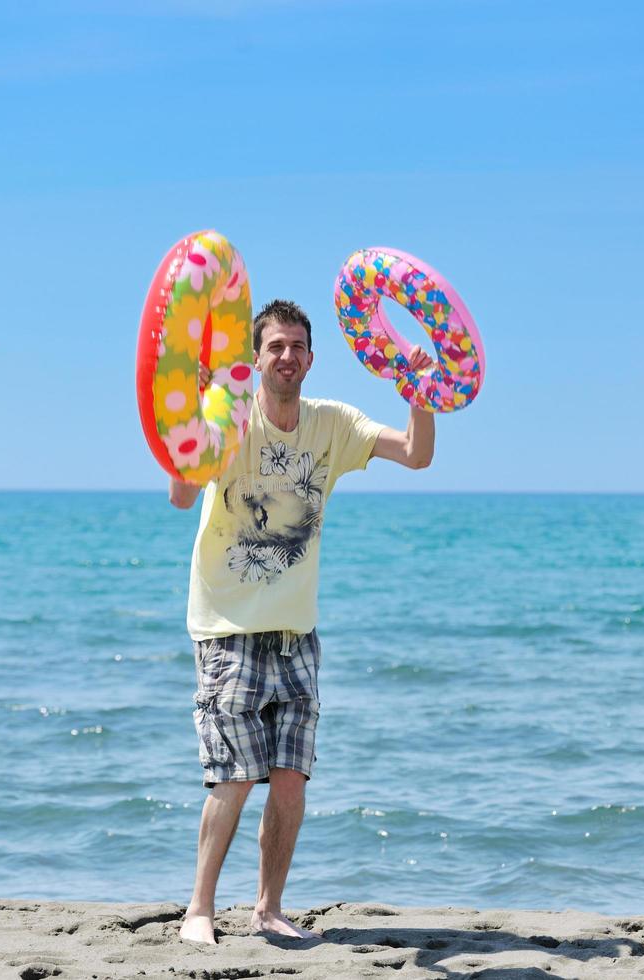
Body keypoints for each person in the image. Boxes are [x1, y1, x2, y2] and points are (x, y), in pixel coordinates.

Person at [169, 298, 435, 945]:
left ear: (311, 359)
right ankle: (199, 911)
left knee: (289, 781)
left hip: (297, 634)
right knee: (233, 777)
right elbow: (180, 495)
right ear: (256, 359)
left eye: (297, 347)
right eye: (275, 347)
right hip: (227, 626)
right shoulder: (227, 419)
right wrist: (195, 416)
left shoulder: (332, 425)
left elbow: (416, 455)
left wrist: (419, 394)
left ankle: (267, 908)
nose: (286, 357)